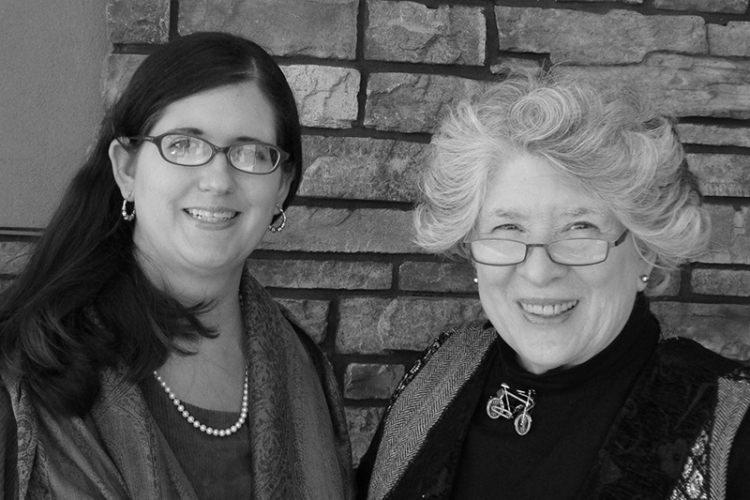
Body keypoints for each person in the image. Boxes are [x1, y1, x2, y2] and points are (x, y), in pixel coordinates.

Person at [356, 72, 750, 500]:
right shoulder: (438, 372)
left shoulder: (733, 428)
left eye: (580, 229)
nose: (539, 272)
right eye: (508, 228)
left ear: (645, 250)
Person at [0, 32, 353, 499]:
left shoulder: (306, 369)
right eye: (184, 145)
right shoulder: (26, 369)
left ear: (282, 187)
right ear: (127, 168)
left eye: (251, 153)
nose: (217, 181)